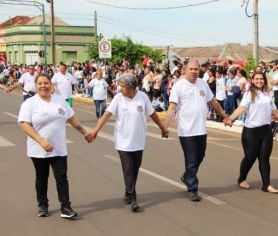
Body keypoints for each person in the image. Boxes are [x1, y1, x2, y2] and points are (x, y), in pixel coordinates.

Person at [85, 74, 168, 212]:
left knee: (135, 169)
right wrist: (95, 131)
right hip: (122, 141)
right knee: (128, 168)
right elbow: (106, 115)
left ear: (131, 87)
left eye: (122, 86)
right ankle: (133, 197)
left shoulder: (143, 97)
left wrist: (162, 128)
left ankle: (128, 192)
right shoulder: (118, 98)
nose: (120, 88)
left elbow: (152, 114)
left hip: (138, 140)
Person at [18, 74, 90, 218]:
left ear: (51, 85)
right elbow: (24, 125)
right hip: (38, 149)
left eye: (46, 83)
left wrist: (85, 133)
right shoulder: (30, 103)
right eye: (40, 83)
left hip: (59, 148)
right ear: (35, 86)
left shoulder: (60, 101)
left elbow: (72, 119)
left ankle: (66, 207)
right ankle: (43, 206)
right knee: (41, 178)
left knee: (62, 178)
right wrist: (41, 141)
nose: (43, 86)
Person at [164, 60, 229, 201]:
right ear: (185, 70)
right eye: (191, 69)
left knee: (200, 156)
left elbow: (213, 102)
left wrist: (225, 116)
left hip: (201, 129)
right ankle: (192, 188)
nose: (194, 71)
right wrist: (165, 125)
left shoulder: (203, 83)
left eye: (196, 69)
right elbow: (172, 107)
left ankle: (187, 175)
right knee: (192, 159)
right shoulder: (178, 86)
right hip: (186, 131)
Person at [226, 72, 278, 194]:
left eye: (261, 79)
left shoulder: (267, 95)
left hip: (266, 131)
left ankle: (266, 185)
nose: (259, 81)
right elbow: (241, 108)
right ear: (252, 80)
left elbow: (275, 112)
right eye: (257, 79)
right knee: (250, 157)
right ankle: (242, 178)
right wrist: (230, 118)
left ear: (264, 80)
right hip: (251, 131)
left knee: (264, 158)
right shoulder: (249, 94)